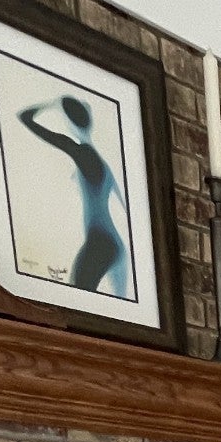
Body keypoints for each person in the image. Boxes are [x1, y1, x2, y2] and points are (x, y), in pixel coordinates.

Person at [16, 94, 129, 295]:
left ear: (68, 122)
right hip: (112, 243)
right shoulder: (102, 163)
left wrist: (51, 103)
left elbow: (25, 117)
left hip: (100, 241)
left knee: (77, 298)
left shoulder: (81, 152)